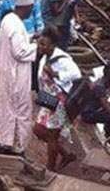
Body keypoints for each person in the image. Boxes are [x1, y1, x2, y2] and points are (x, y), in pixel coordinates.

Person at [0, 0, 38, 155]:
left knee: (8, 108)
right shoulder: (14, 24)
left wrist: (30, 37)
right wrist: (37, 46)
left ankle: (7, 141)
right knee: (18, 110)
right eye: (30, 8)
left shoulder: (9, 20)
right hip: (15, 75)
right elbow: (19, 51)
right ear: (25, 7)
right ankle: (15, 145)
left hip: (7, 72)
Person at [33, 26, 81, 171]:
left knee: (52, 136)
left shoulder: (62, 59)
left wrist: (56, 75)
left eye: (43, 44)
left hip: (59, 102)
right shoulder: (45, 56)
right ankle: (66, 155)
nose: (40, 47)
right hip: (48, 100)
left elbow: (77, 74)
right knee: (39, 130)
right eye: (39, 43)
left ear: (53, 45)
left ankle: (50, 169)